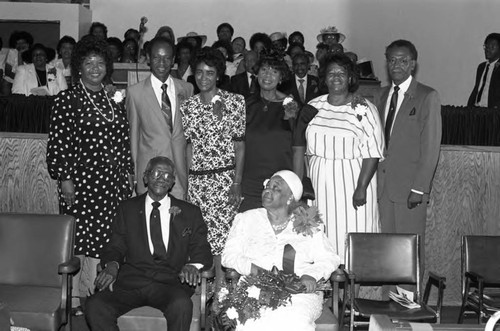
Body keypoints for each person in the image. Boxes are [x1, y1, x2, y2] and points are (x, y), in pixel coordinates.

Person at [46, 35, 134, 315]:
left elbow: (123, 140)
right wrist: (65, 178)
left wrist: (129, 175)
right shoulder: (67, 99)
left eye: (100, 62)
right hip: (82, 183)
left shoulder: (112, 99)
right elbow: (59, 143)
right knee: (80, 238)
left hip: (111, 184)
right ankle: (75, 298)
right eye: (88, 63)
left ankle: (99, 296)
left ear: (107, 66)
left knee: (107, 238)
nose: (95, 68)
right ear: (78, 68)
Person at [85, 156, 213, 331]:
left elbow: (202, 248)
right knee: (95, 305)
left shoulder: (190, 212)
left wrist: (193, 265)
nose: (162, 178)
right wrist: (112, 265)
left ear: (173, 182)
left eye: (167, 175)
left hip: (170, 282)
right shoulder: (127, 208)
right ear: (145, 177)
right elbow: (115, 245)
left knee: (182, 306)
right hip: (131, 281)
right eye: (156, 173)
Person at [222, 170, 340, 331]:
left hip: (298, 293)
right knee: (251, 323)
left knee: (293, 321)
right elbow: (229, 256)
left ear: (290, 198)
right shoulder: (246, 219)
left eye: (276, 188)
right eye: (267, 186)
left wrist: (311, 275)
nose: (268, 190)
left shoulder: (308, 223)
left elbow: (330, 258)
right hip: (255, 288)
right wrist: (253, 270)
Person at [293, 53, 384, 260]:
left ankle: (351, 291)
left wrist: (361, 188)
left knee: (354, 241)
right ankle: (327, 291)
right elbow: (302, 148)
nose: (336, 77)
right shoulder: (313, 106)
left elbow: (372, 153)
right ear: (323, 78)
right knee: (322, 239)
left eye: (341, 73)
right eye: (331, 73)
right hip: (320, 186)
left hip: (353, 184)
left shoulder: (364, 109)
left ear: (350, 78)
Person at [181, 49, 245, 287]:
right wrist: (188, 184)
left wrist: (236, 183)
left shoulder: (235, 102)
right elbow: (189, 147)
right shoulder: (188, 106)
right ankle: (201, 292)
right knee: (201, 237)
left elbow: (240, 145)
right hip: (198, 182)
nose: (203, 77)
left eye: (210, 72)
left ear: (219, 75)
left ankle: (222, 291)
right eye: (199, 72)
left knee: (224, 239)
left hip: (225, 180)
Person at [375, 40, 441, 262]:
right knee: (387, 251)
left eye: (403, 61)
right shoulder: (380, 96)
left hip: (410, 189)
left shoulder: (427, 96)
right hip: (382, 188)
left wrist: (420, 189)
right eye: (392, 60)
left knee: (408, 252)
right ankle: (389, 297)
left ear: (413, 64)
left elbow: (430, 148)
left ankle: (409, 298)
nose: (396, 65)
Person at [127, 36, 193, 199]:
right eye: (157, 57)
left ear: (173, 60)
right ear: (149, 59)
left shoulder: (186, 88)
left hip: (180, 172)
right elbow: (133, 138)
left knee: (178, 220)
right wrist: (135, 175)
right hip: (151, 172)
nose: (162, 63)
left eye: (167, 58)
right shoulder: (135, 92)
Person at [239, 55, 298, 212]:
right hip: (249, 182)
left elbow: (299, 149)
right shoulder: (244, 104)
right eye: (264, 70)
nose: (267, 75)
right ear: (256, 74)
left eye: (274, 71)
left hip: (280, 183)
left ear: (281, 78)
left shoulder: (292, 107)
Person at [467, 33, 500, 109]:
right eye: (486, 46)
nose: (488, 49)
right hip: (476, 110)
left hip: (492, 113)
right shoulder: (481, 67)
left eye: (492, 47)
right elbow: (477, 89)